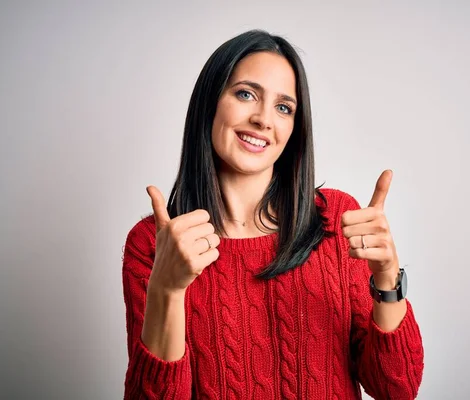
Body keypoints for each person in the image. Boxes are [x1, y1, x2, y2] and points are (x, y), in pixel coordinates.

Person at [122, 29, 424, 399]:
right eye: (246, 94)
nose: (264, 120)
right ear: (210, 102)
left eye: (284, 107)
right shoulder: (155, 244)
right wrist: (166, 290)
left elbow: (397, 388)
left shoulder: (336, 220)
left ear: (294, 128)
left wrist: (388, 278)